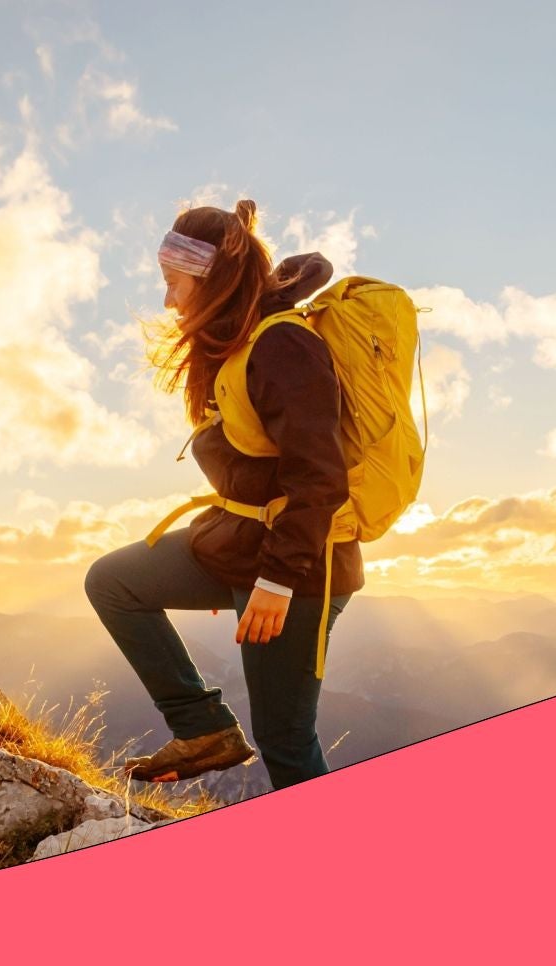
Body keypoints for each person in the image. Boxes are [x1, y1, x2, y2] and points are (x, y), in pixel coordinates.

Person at [84, 200, 359, 790]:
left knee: (286, 742)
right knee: (113, 581)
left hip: (301, 565)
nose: (168, 301)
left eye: (172, 283)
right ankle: (204, 727)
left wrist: (278, 580)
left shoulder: (283, 346)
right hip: (239, 540)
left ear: (210, 279)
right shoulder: (233, 344)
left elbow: (321, 479)